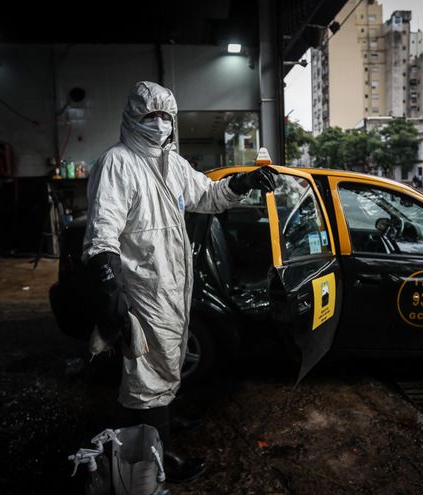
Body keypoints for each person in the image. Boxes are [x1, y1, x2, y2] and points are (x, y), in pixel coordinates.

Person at [82, 81, 275, 484]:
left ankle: (158, 426)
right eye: (150, 115)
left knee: (165, 365)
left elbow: (209, 197)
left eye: (166, 116)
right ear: (132, 117)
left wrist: (244, 182)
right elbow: (103, 233)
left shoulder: (173, 164)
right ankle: (157, 459)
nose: (159, 124)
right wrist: (110, 288)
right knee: (147, 375)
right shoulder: (118, 163)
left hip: (173, 287)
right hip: (144, 289)